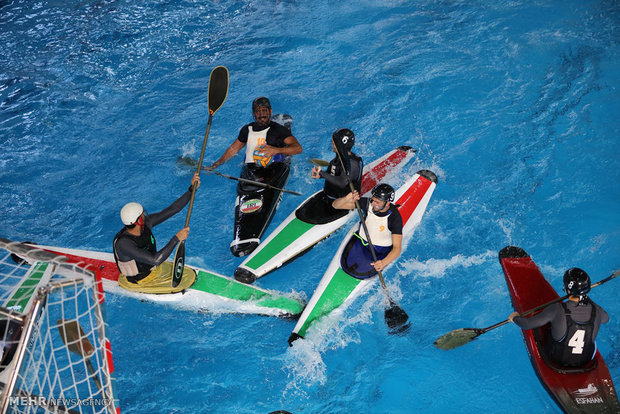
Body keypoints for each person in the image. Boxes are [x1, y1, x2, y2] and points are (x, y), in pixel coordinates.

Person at [508, 268, 609, 368]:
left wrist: (515, 318)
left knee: (550, 326)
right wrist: (584, 297)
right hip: (585, 360)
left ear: (568, 289)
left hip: (557, 359)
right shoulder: (597, 310)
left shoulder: (556, 309)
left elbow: (527, 324)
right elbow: (606, 319)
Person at [112, 173, 200, 283]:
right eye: (142, 214)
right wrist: (176, 238)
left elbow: (173, 209)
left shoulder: (146, 223)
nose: (145, 214)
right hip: (139, 279)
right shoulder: (124, 244)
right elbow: (156, 260)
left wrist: (191, 190)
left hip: (151, 268)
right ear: (138, 221)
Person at [207, 97, 302, 171]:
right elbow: (233, 149)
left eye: (264, 110)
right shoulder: (247, 130)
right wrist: (215, 165)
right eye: (258, 111)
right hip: (252, 169)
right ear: (254, 113)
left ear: (270, 111)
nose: (261, 115)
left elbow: (298, 148)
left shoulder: (279, 130)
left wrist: (276, 150)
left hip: (275, 166)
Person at [332, 183, 402, 276]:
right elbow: (336, 205)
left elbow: (397, 249)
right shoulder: (367, 203)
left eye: (378, 202)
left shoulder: (394, 218)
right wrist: (346, 199)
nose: (373, 203)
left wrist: (383, 263)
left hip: (380, 251)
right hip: (360, 243)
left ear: (387, 203)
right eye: (373, 200)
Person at [295, 128, 363, 224]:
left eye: (334, 142)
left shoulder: (352, 164)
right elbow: (333, 174)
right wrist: (320, 175)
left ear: (340, 145)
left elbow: (342, 182)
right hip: (327, 198)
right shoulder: (338, 159)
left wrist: (323, 173)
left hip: (342, 204)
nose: (332, 143)